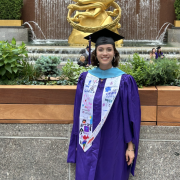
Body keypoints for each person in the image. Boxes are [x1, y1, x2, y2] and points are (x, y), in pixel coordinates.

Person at [67, 28, 141, 180]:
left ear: (114, 53)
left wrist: (130, 146)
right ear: (95, 53)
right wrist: (75, 143)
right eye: (101, 49)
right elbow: (78, 113)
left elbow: (129, 116)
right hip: (87, 142)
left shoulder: (124, 81)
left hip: (114, 142)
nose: (105, 53)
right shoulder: (85, 79)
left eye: (109, 49)